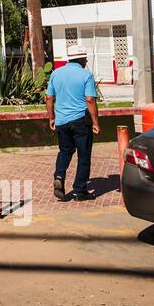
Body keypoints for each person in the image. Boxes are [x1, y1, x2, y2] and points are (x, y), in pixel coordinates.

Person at [46, 45, 101, 201]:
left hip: (62, 121)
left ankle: (59, 175)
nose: (86, 61)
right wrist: (96, 122)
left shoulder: (56, 73)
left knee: (64, 151)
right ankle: (79, 190)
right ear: (82, 58)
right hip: (80, 121)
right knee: (84, 156)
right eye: (85, 59)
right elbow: (89, 99)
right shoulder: (85, 74)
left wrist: (51, 117)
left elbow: (49, 98)